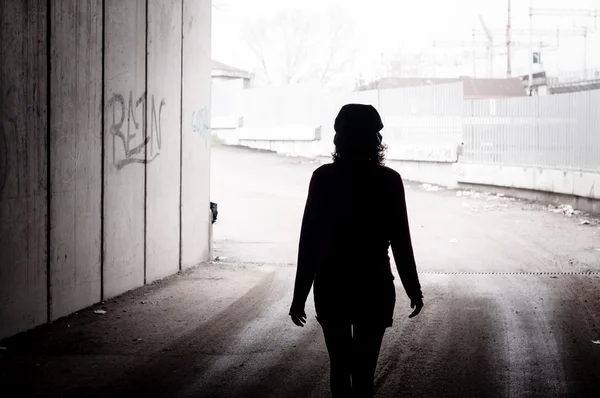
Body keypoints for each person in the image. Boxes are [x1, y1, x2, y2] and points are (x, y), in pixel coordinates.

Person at [289, 104, 424, 397]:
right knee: (364, 373)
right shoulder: (389, 180)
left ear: (339, 140)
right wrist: (413, 289)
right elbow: (402, 241)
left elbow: (309, 242)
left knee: (339, 368)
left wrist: (299, 296)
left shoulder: (323, 178)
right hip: (373, 287)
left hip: (332, 285)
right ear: (374, 140)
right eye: (377, 133)